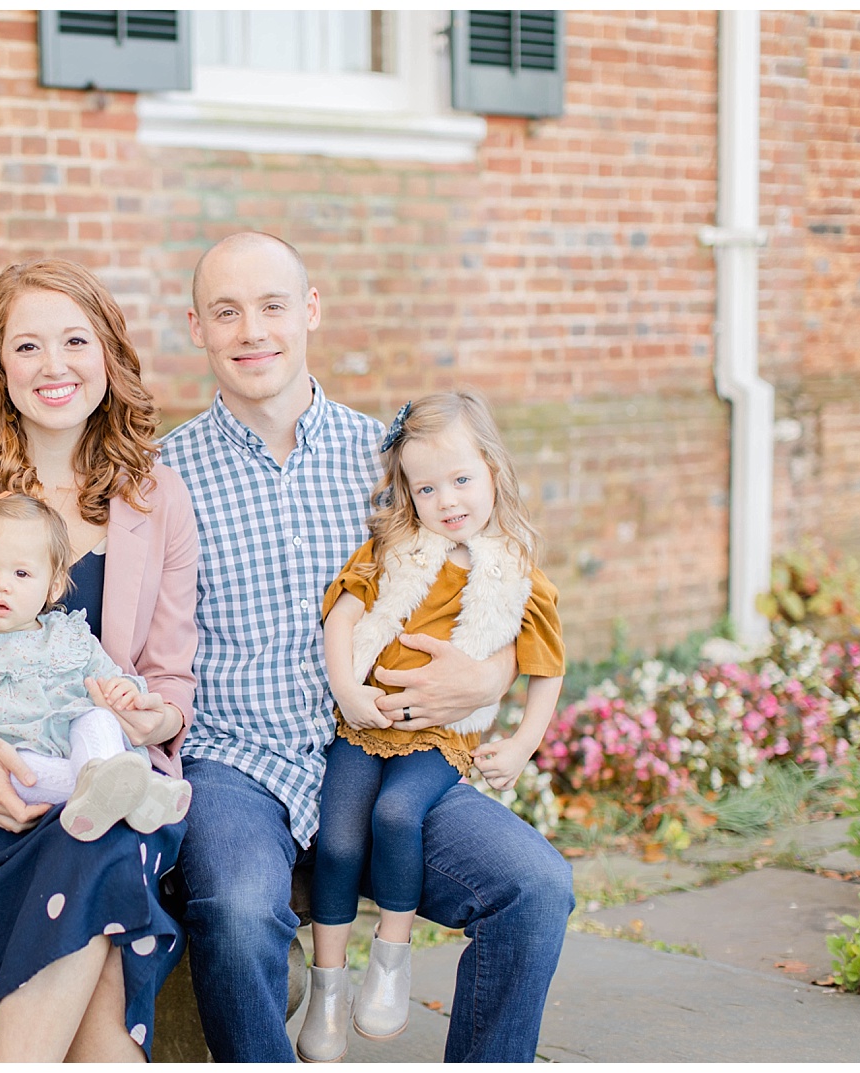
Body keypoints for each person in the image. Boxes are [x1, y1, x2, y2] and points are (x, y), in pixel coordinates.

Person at [157, 231, 574, 1063]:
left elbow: (497, 576)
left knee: (533, 885)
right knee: (238, 908)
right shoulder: (163, 475)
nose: (253, 331)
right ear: (196, 326)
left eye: (273, 306)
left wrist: (488, 675)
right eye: (227, 312)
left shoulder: (388, 459)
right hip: (237, 760)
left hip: (390, 750)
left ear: (309, 311)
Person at [0, 259, 200, 1062]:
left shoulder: (157, 498)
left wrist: (152, 715)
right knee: (98, 867)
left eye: (74, 340)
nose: (53, 366)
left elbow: (168, 679)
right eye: (27, 346)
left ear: (109, 353)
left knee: (100, 828)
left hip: (102, 777)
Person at [296, 390, 565, 1060]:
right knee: (336, 835)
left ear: (493, 472)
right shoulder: (394, 548)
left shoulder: (516, 576)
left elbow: (546, 666)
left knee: (396, 815)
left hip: (438, 737)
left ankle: (391, 956)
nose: (447, 500)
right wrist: (347, 690)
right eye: (427, 488)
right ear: (406, 493)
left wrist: (524, 742)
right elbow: (343, 612)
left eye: (462, 479)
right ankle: (329, 986)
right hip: (365, 722)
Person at [0, 491, 192, 840]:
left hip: (81, 750)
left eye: (21, 573)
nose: (2, 584)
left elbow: (111, 680)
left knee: (97, 717)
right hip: (19, 757)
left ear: (53, 586)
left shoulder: (70, 635)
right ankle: (136, 795)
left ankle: (110, 789)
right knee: (15, 769)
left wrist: (126, 693)